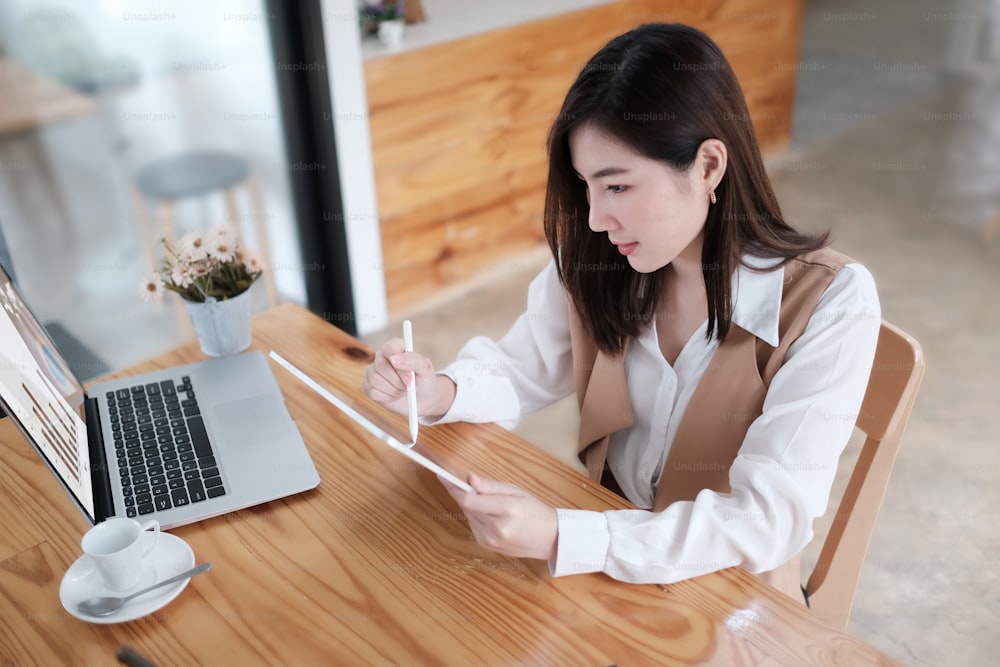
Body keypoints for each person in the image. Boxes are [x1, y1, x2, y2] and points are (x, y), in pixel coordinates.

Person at [363, 23, 880, 603]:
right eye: (587, 186)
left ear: (709, 166)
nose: (594, 220)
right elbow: (520, 368)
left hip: (732, 602)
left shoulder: (832, 304)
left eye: (618, 187)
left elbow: (765, 517)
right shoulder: (596, 262)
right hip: (604, 574)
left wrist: (565, 534)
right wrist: (435, 392)